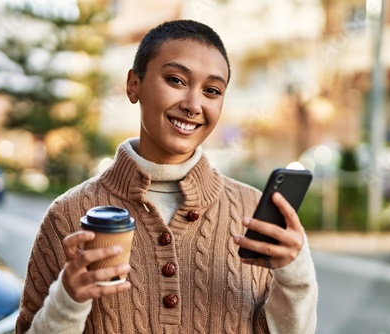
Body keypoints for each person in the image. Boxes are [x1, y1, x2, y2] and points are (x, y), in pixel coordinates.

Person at [16, 19, 318, 334]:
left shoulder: (253, 212)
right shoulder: (68, 214)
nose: (193, 105)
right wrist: (69, 299)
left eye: (212, 90)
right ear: (134, 84)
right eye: (175, 80)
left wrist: (295, 276)